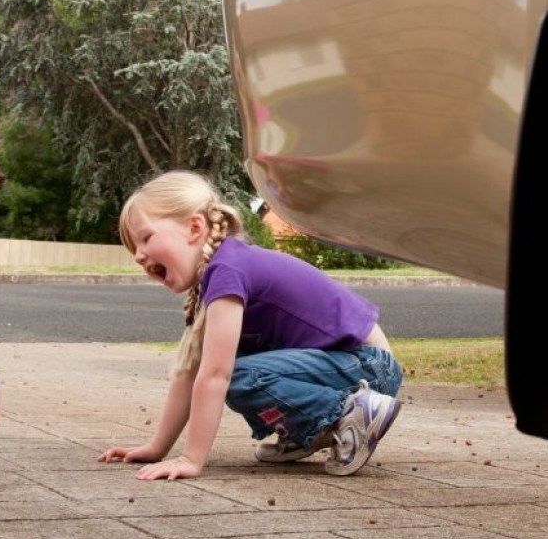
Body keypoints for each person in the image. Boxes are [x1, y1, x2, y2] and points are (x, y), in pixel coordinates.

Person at [98, 170, 404, 480]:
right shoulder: (220, 272)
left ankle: (349, 414)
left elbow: (216, 375)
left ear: (194, 227)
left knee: (237, 375)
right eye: (133, 247)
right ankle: (312, 430)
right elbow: (190, 373)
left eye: (146, 238)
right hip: (348, 366)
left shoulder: (228, 270)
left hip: (369, 369)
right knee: (228, 366)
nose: (138, 255)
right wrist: (156, 447)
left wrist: (191, 459)